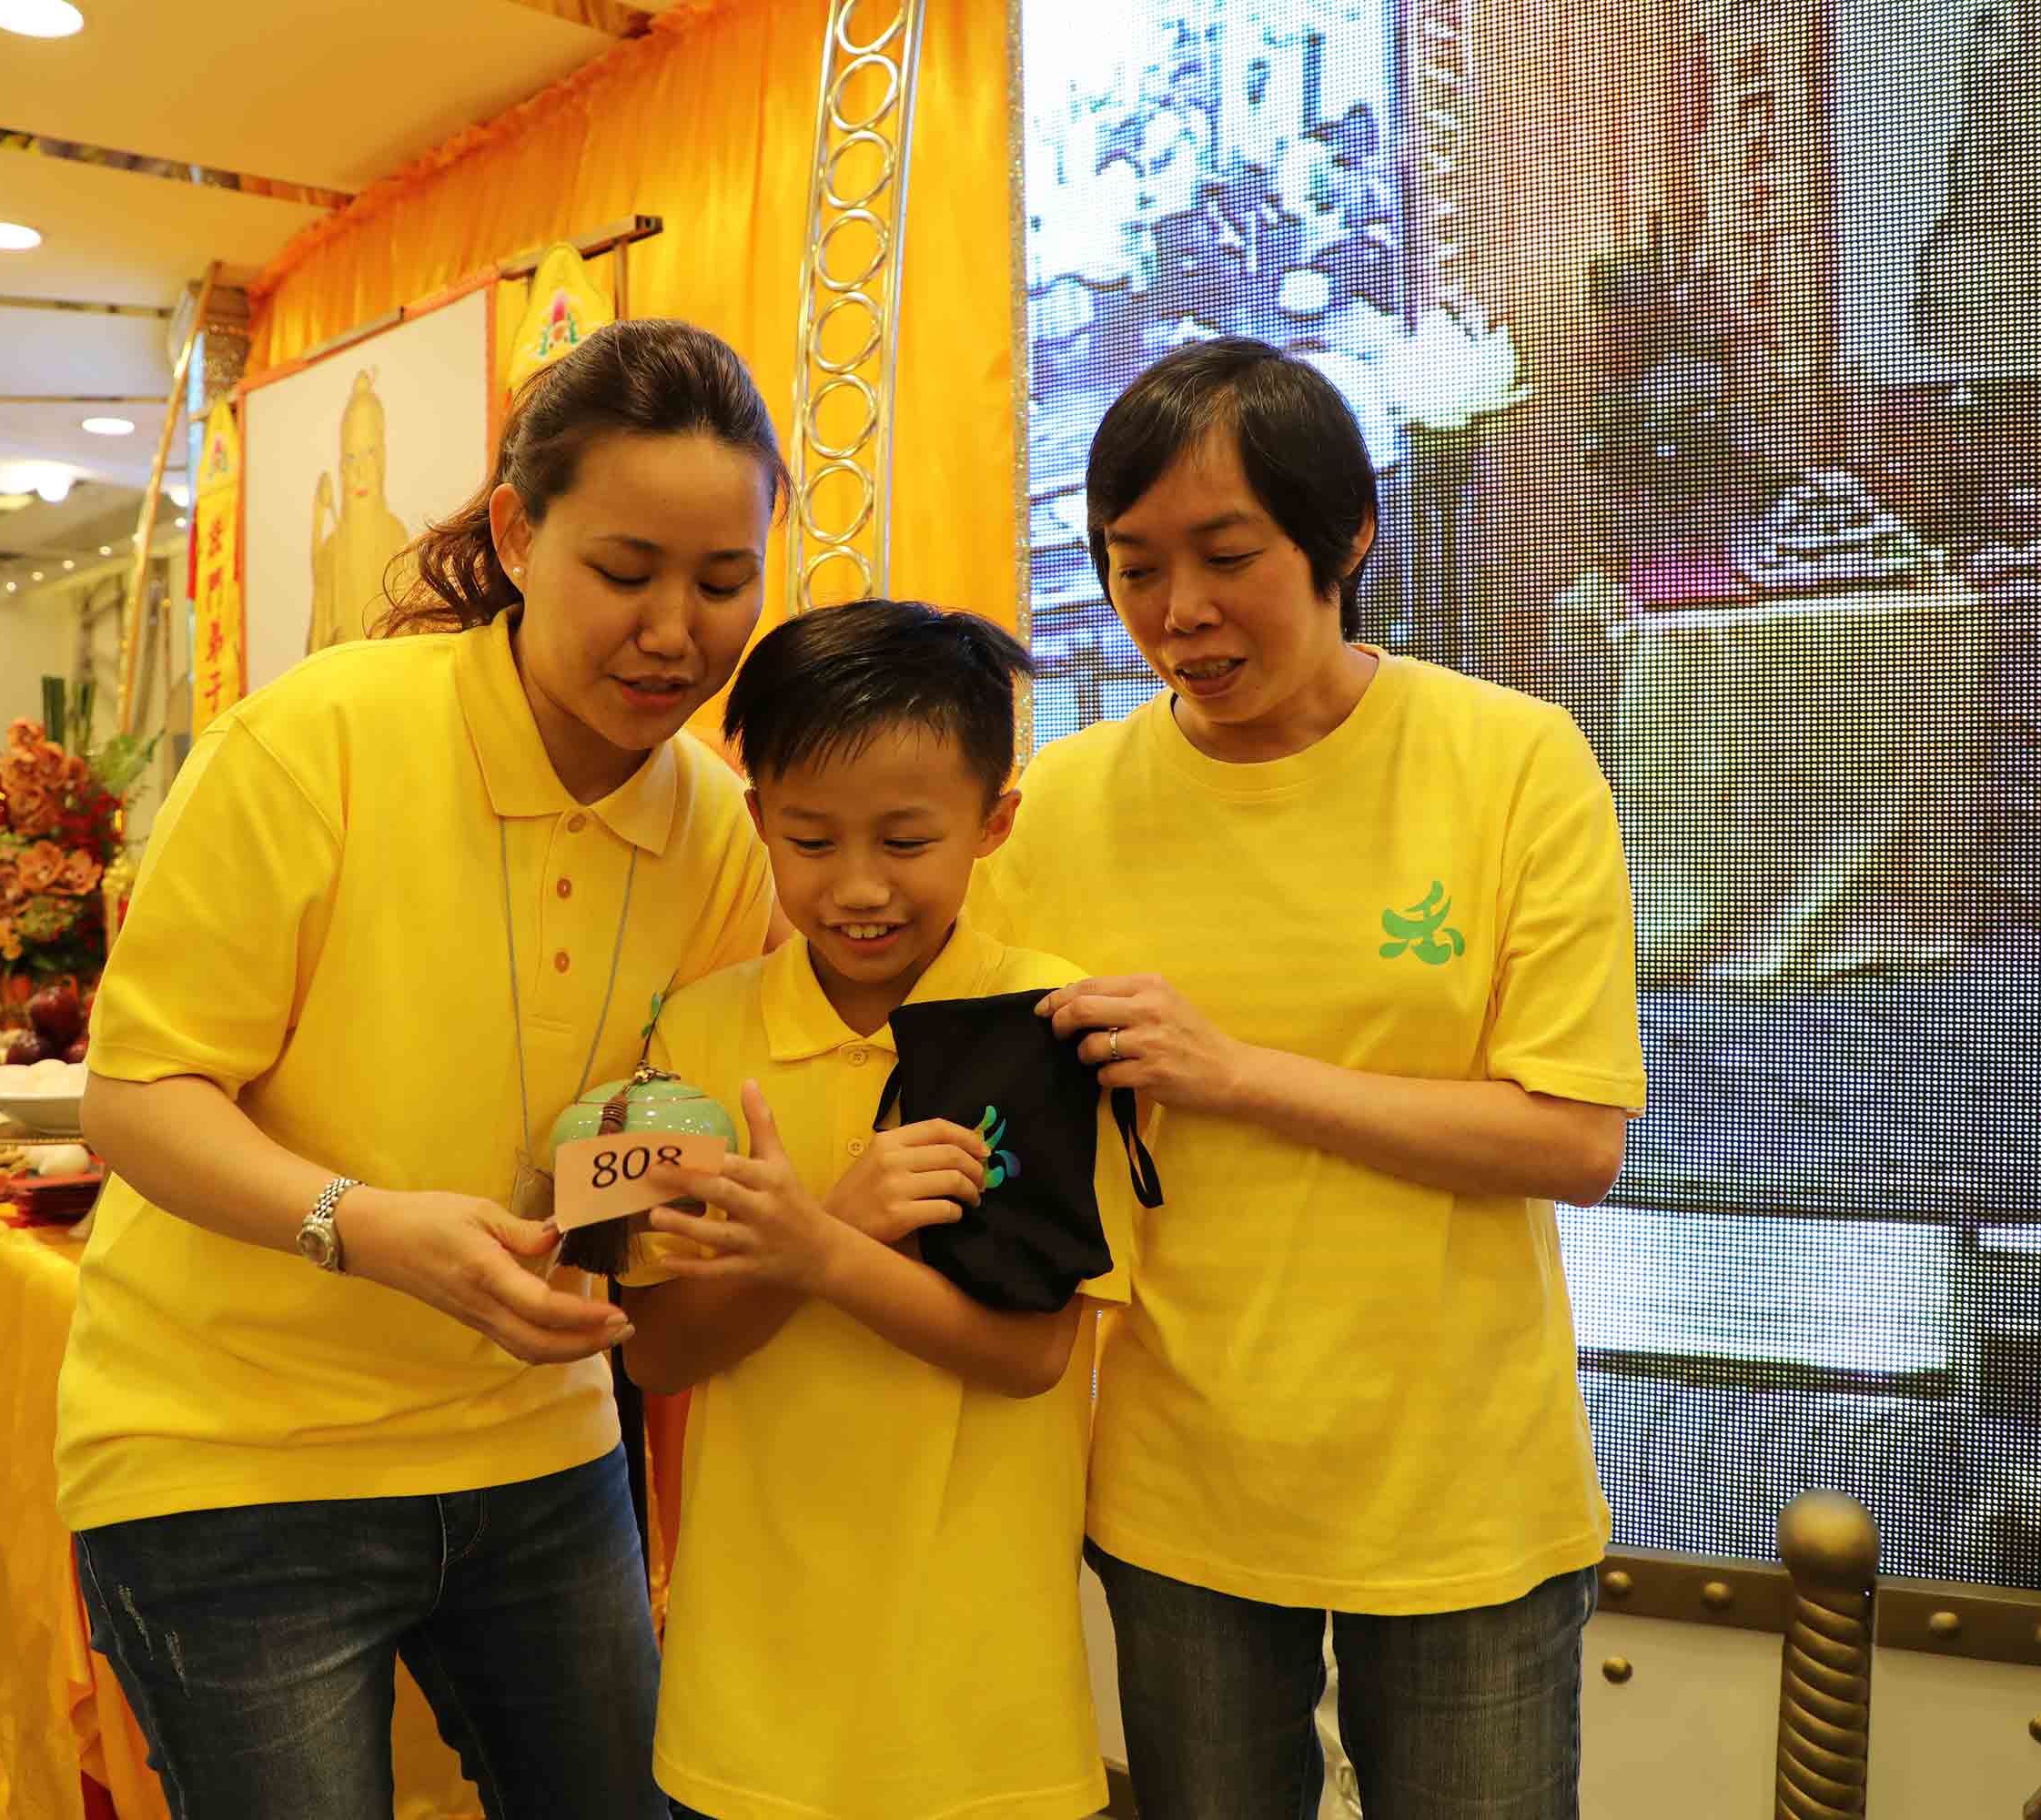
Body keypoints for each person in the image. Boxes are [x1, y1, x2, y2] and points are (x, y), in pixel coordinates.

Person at [57, 318, 787, 1820]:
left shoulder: (719, 830)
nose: (676, 632)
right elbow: (134, 1098)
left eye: (724, 583)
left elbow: (647, 1129)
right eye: (626, 571)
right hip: (231, 1450)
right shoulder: (317, 742)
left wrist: (674, 1222)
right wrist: (368, 1225)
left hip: (538, 1441)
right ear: (517, 535)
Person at [970, 337, 1645, 1820]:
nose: (1180, 612)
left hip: (1465, 1488)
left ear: (1348, 538)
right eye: (1135, 568)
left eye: (1227, 557)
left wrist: (1236, 1074)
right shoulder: (1062, 805)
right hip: (1182, 1484)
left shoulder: (1509, 762)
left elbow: (1574, 1138)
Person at [617, 601, 1131, 1820]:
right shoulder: (689, 1036)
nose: (858, 888)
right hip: (746, 1703)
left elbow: (1031, 1357)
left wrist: (820, 1250)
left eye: (906, 841)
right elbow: (658, 1352)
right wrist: (820, 1241)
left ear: (994, 821)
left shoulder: (1051, 1026)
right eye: (811, 839)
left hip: (982, 1709)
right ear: (757, 821)